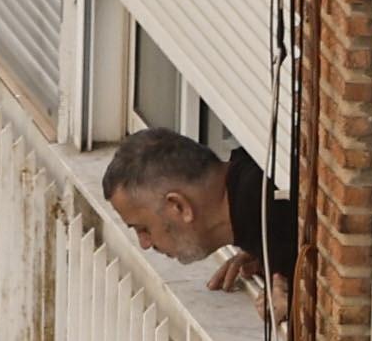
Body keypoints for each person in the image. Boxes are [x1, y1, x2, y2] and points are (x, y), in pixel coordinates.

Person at [98, 128, 293, 304]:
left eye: (143, 229)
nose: (145, 244)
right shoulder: (256, 166)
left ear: (179, 207)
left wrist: (295, 307)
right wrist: (259, 252)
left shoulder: (281, 220)